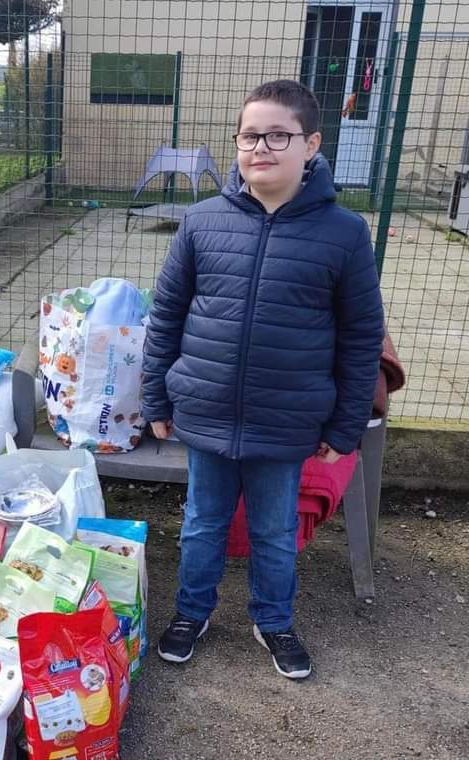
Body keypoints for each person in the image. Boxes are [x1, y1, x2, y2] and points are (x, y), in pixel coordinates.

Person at [142, 79, 384, 679]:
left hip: (288, 417)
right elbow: (166, 315)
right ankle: (191, 613)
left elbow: (360, 340)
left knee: (275, 530)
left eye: (279, 135)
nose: (262, 147)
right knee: (201, 523)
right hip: (205, 408)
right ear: (237, 142)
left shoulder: (345, 234)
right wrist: (155, 395)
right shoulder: (200, 224)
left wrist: (345, 423)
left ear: (311, 145)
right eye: (250, 134)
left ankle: (273, 620)